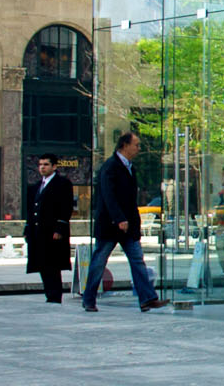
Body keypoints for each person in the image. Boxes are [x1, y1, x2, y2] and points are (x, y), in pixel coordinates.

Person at [82, 132, 163, 313]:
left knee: (137, 260)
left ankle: (147, 298)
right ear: (125, 145)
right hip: (111, 225)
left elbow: (130, 199)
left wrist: (133, 222)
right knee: (99, 261)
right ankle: (88, 298)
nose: (139, 149)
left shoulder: (129, 167)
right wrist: (119, 218)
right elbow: (108, 196)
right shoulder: (110, 167)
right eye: (136, 145)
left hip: (128, 226)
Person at [24, 153, 75, 304]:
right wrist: (28, 229)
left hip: (52, 231)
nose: (42, 167)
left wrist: (60, 228)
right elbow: (31, 209)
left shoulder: (62, 183)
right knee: (41, 263)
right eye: (40, 165)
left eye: (46, 164)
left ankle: (54, 295)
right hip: (38, 231)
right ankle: (49, 294)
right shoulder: (36, 186)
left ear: (54, 166)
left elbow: (66, 207)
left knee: (53, 265)